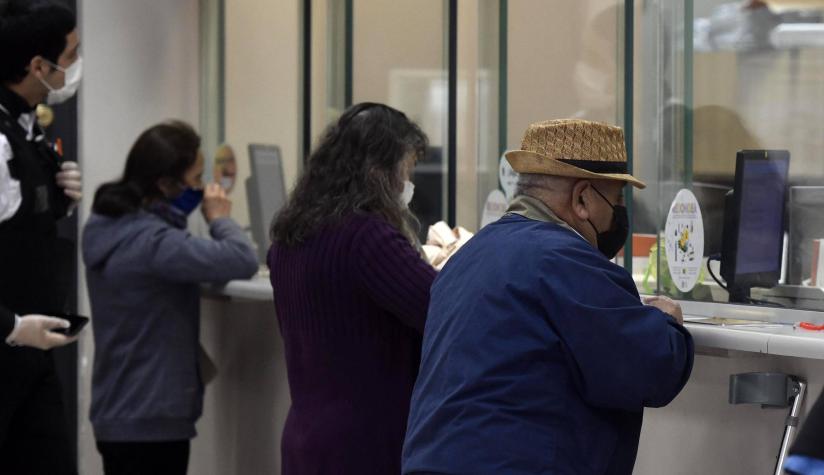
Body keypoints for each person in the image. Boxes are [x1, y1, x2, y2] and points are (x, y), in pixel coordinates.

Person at [402, 119, 695, 475]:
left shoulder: (469, 256)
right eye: (616, 199)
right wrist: (668, 325)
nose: (619, 213)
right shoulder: (564, 261)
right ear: (583, 198)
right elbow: (648, 368)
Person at [268, 102, 437, 474]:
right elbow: (440, 310)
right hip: (365, 446)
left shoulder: (286, 240)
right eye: (405, 170)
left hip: (305, 439)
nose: (407, 184)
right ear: (379, 172)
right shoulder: (368, 238)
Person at [82, 121, 258, 475]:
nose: (202, 189)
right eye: (195, 179)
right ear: (165, 184)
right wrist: (221, 219)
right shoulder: (155, 244)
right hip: (151, 419)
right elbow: (242, 259)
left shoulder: (109, 227)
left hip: (122, 412)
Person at [0, 0, 84, 472]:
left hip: (33, 355)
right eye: (70, 56)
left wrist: (57, 201)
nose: (74, 67)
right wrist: (11, 327)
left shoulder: (26, 128)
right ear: (37, 65)